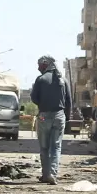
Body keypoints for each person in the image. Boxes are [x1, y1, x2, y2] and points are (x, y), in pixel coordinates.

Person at [30, 55, 71, 185]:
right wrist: (67, 117)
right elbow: (69, 101)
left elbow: (34, 98)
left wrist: (43, 103)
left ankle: (45, 174)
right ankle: (52, 174)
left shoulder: (40, 79)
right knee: (56, 146)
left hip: (43, 115)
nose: (38, 68)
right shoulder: (63, 80)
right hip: (59, 115)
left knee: (44, 147)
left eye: (39, 65)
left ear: (45, 64)